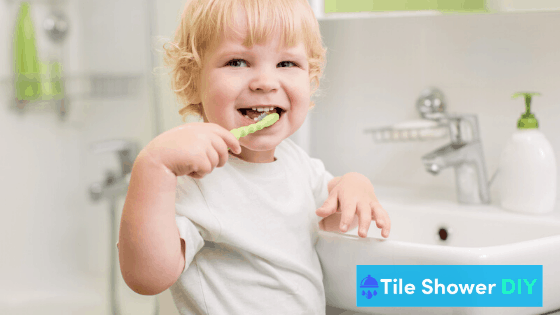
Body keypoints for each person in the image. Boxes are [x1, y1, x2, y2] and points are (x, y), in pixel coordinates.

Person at [117, 0, 391, 314]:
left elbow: (331, 214)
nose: (265, 82)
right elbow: (146, 278)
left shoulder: (296, 163)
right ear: (193, 81)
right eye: (237, 62)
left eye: (287, 64)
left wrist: (355, 184)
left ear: (310, 77)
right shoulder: (194, 179)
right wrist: (153, 168)